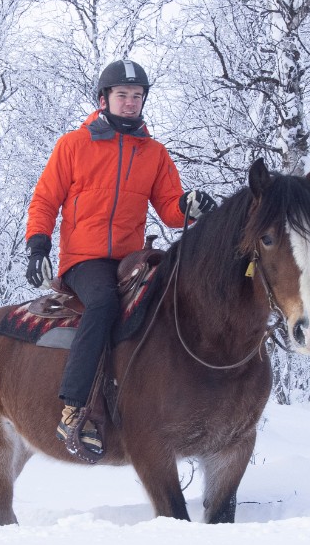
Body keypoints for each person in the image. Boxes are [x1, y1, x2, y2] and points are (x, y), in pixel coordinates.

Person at [24, 59, 218, 460]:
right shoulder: (73, 146)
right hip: (84, 260)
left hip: (131, 259)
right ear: (103, 99)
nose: (130, 103)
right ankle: (76, 407)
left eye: (137, 96)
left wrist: (190, 206)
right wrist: (38, 246)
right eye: (122, 95)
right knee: (104, 304)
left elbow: (168, 209)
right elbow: (45, 199)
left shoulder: (154, 153)